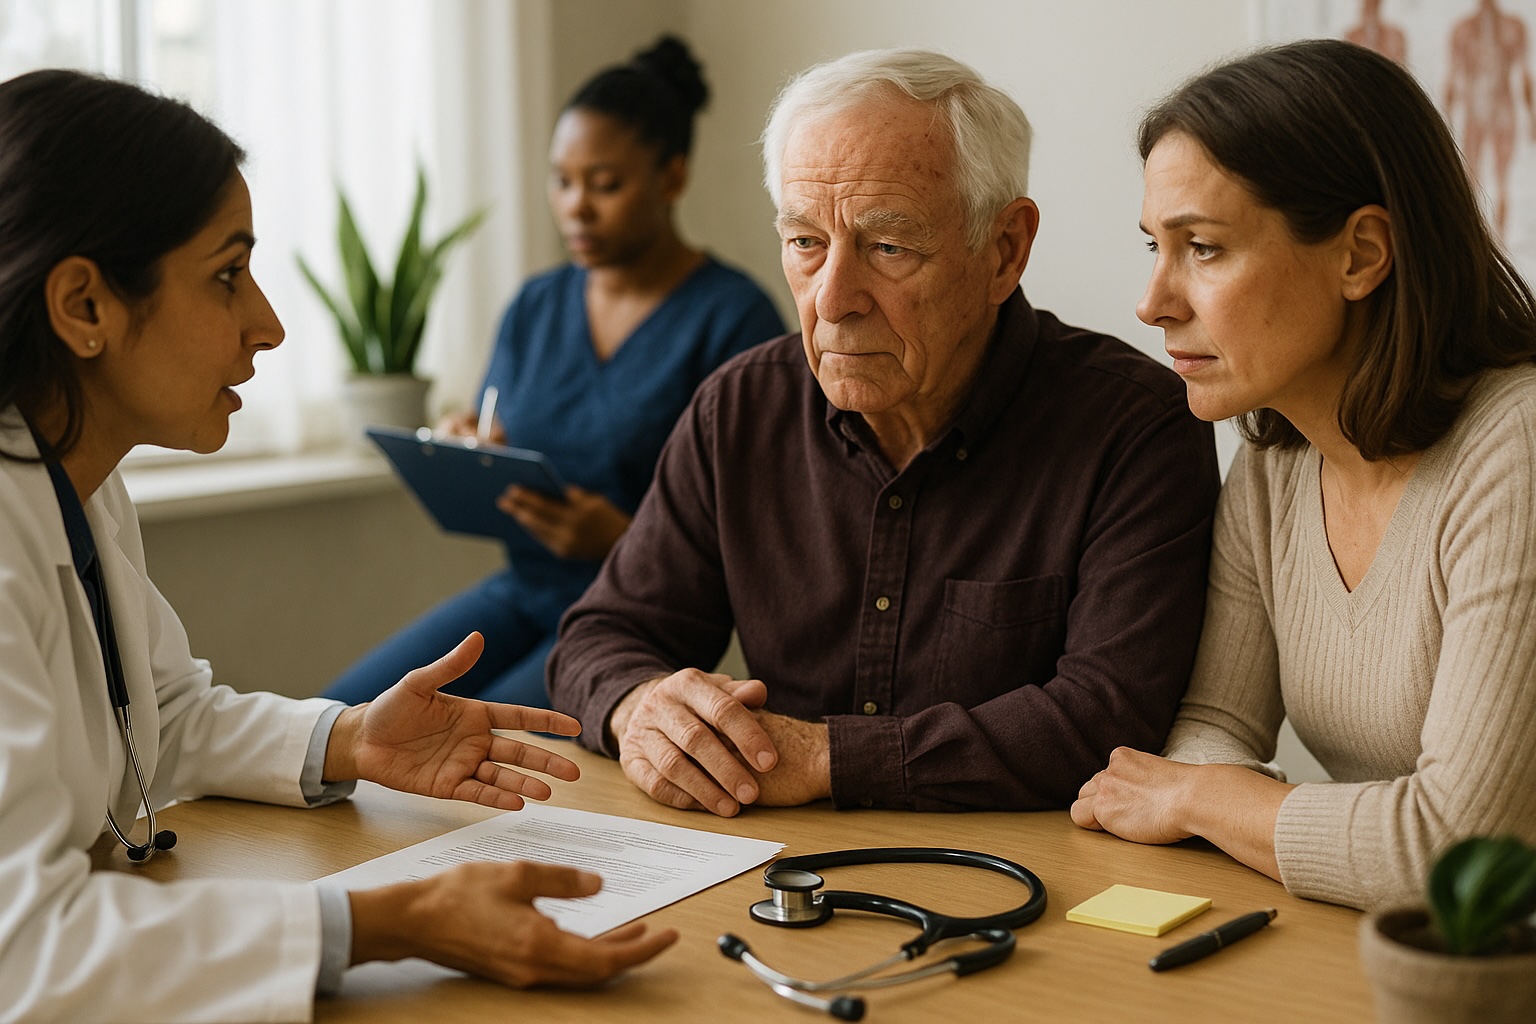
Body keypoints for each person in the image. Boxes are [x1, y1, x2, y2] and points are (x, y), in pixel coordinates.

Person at [0, 69, 675, 1024]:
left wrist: (352, 738)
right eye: (227, 275)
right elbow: (20, 954)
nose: (268, 325)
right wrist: (391, 922)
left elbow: (160, 712)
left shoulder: (80, 478)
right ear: (84, 307)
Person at [547, 49, 1221, 816]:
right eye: (805, 243)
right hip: (778, 870)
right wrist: (644, 711)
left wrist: (826, 758)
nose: (833, 301)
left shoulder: (1134, 426)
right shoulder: (738, 408)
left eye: (888, 247)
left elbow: (1109, 716)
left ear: (1005, 251)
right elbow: (601, 636)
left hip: (1022, 880)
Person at [1072, 39, 1536, 911]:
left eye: (1203, 248)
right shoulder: (1276, 457)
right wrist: (1212, 791)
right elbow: (1214, 726)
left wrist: (1208, 800)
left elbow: (1461, 848)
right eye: (1154, 247)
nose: (1153, 301)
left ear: (1361, 254)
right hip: (1402, 949)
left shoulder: (1520, 448)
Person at [323, 36, 783, 710]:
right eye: (562, 181)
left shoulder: (735, 321)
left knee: (489, 744)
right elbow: (498, 432)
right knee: (337, 718)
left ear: (672, 178)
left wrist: (622, 540)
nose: (576, 207)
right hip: (524, 591)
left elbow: (764, 536)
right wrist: (470, 450)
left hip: (641, 616)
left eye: (605, 184)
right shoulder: (536, 304)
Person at [1444, 0, 1536, 237]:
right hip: (1475, 110)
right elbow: (1452, 79)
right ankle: (1473, 236)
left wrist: (1532, 118)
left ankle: (1501, 241)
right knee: (1472, 176)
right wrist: (1445, 121)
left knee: (1502, 179)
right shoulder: (1463, 30)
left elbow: (1525, 74)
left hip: (1502, 109)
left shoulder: (1513, 27)